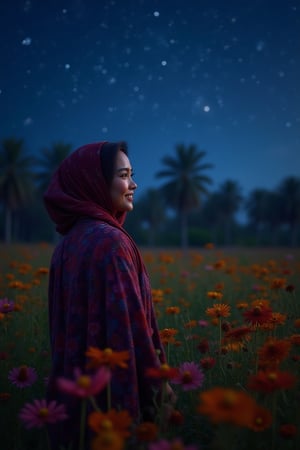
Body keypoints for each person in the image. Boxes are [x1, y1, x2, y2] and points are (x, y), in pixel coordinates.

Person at [43, 141, 174, 449]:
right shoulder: (112, 242)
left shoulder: (67, 244)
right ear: (94, 183)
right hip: (115, 406)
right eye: (123, 175)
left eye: (132, 174)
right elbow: (132, 329)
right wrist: (158, 388)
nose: (133, 184)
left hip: (78, 405)